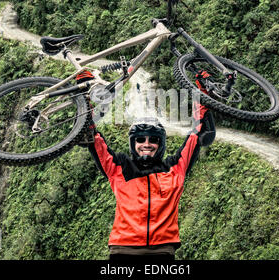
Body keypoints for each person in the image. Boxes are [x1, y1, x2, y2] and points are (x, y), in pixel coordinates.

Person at [79, 71, 216, 261]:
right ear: (133, 144)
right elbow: (93, 138)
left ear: (161, 144)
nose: (146, 144)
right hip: (123, 250)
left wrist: (202, 94)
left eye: (153, 140)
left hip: (163, 251)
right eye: (140, 140)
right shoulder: (120, 168)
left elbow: (196, 132)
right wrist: (82, 94)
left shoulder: (175, 167)